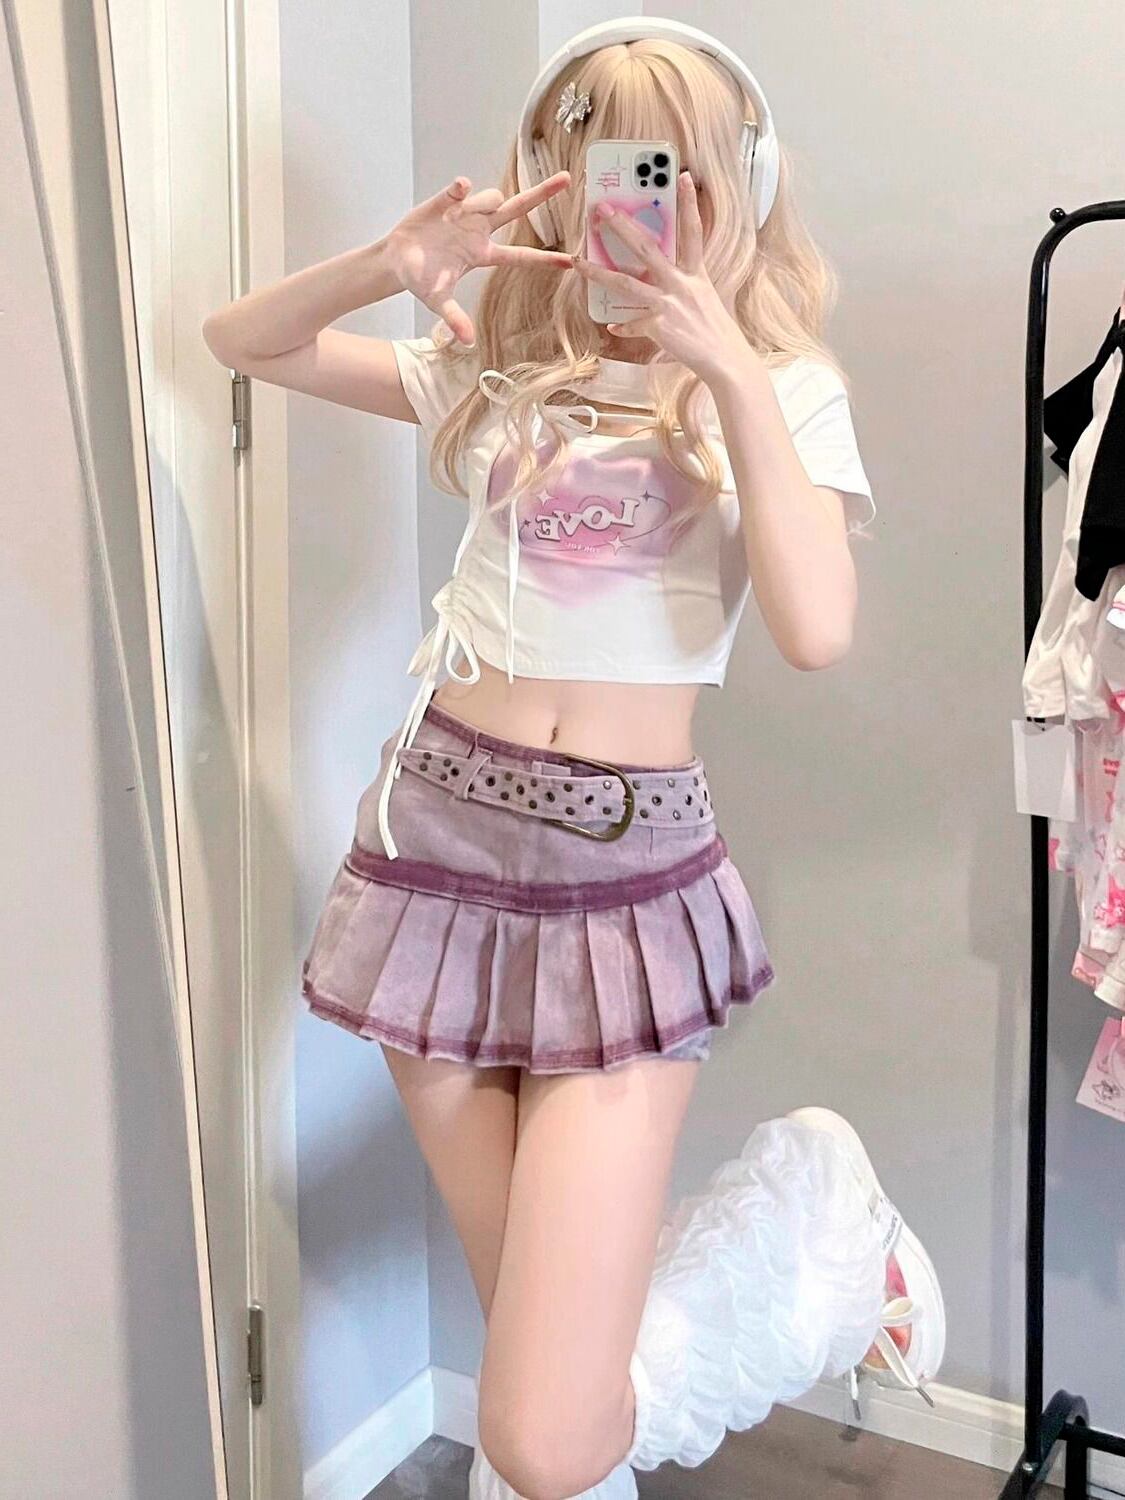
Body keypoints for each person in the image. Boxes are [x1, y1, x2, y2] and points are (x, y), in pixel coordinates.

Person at [203, 18, 943, 1500]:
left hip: (622, 874)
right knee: (545, 1383)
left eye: (668, 166)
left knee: (542, 1430)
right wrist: (388, 263)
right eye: (599, 157)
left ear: (737, 184)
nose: (633, 196)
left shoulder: (780, 388)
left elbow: (815, 629)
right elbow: (244, 341)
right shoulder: (499, 369)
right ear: (553, 174)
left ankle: (822, 1219)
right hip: (431, 851)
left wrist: (728, 372)